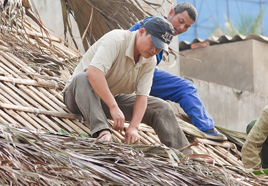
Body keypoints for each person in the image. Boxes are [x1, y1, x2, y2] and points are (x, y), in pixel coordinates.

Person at [63, 17, 190, 150]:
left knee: (161, 107)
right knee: (82, 78)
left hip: (106, 101)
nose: (154, 50)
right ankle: (102, 131)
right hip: (79, 96)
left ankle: (186, 153)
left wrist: (134, 127)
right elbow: (94, 73)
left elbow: (142, 96)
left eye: (159, 48)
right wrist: (113, 106)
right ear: (141, 32)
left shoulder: (150, 61)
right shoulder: (116, 40)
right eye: (153, 43)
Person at [129, 3, 227, 141]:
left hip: (146, 75)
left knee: (185, 87)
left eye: (187, 26)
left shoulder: (167, 36)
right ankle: (206, 127)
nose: (181, 28)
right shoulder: (150, 25)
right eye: (181, 21)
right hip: (128, 74)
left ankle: (206, 128)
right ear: (171, 13)